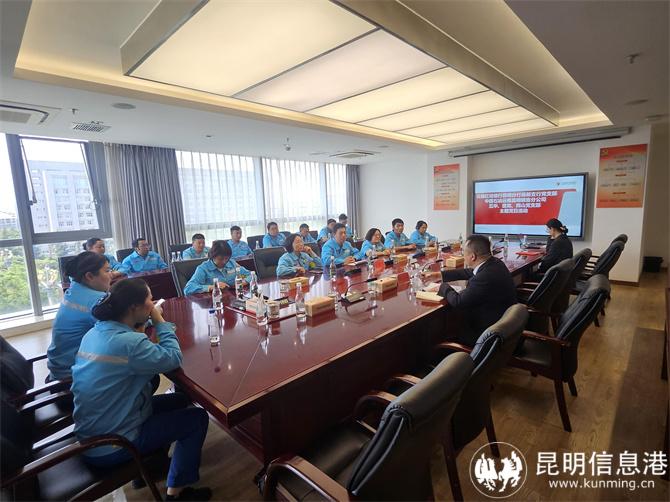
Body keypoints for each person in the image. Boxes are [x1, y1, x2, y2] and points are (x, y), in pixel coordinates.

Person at [71, 279, 211, 501]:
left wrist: (143, 324)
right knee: (198, 418)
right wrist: (159, 320)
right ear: (134, 307)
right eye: (149, 300)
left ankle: (150, 466)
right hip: (115, 443)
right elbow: (173, 358)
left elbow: (132, 352)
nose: (153, 304)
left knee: (178, 400)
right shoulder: (128, 343)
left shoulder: (96, 332)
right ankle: (176, 493)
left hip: (94, 431)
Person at [428, 234, 517, 345]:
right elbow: (471, 272)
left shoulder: (483, 277)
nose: (462, 255)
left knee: (444, 331)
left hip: (486, 334)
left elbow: (458, 301)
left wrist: (442, 287)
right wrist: (440, 275)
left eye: (463, 253)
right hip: (504, 323)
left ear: (472, 257)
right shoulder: (495, 263)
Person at [47, 251, 112, 381]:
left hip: (58, 369)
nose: (111, 275)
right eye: (107, 271)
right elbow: (126, 326)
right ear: (89, 276)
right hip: (74, 375)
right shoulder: (97, 300)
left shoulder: (73, 290)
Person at [184, 240, 251, 295]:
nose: (224, 261)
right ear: (213, 256)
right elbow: (188, 289)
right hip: (212, 301)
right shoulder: (203, 269)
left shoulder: (232, 263)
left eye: (226, 258)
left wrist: (243, 282)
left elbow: (251, 275)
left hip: (232, 298)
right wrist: (212, 287)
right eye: (220, 259)